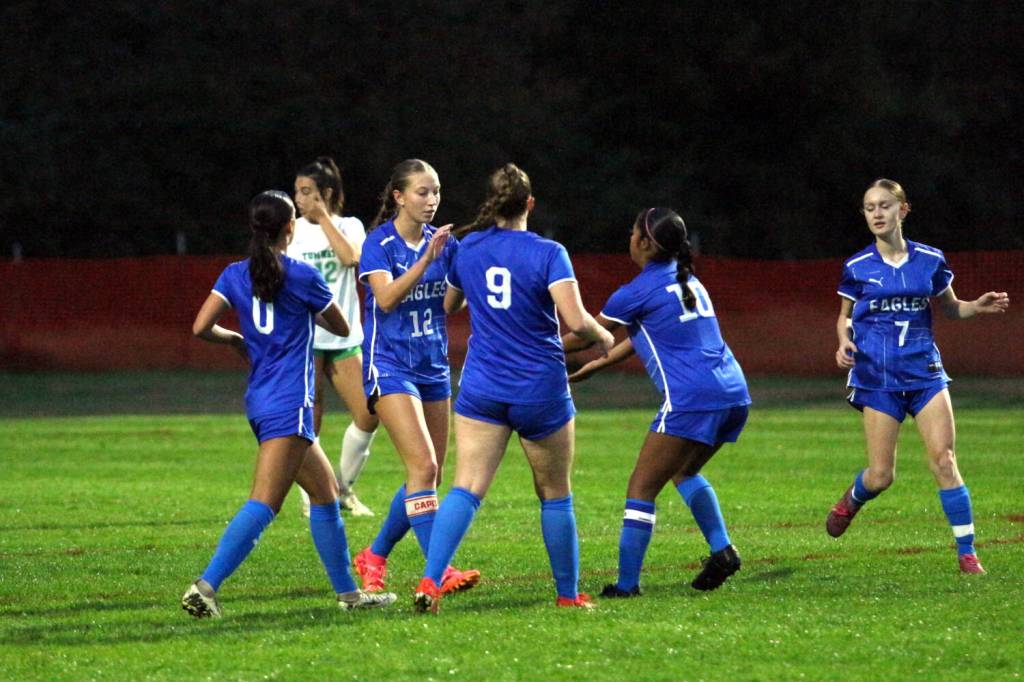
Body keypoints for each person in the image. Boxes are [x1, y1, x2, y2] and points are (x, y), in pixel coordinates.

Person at [180, 190, 396, 618]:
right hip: (291, 401)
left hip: (260, 399)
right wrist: (304, 309)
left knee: (326, 493)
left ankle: (349, 595)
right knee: (265, 502)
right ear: (289, 229)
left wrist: (236, 340)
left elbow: (202, 326)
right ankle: (204, 587)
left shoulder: (234, 273)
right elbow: (339, 323)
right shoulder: (302, 275)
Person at [413, 163, 614, 613]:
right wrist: (603, 338)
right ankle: (567, 594)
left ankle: (429, 582)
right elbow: (577, 321)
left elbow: (450, 304)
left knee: (466, 487)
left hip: (483, 386)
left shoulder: (469, 249)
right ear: (529, 204)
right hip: (539, 389)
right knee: (555, 493)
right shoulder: (548, 253)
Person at [564, 207, 751, 598]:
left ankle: (627, 586)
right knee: (684, 471)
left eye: (633, 232)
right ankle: (722, 551)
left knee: (641, 488)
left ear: (645, 243)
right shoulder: (688, 281)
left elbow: (586, 335)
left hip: (692, 398)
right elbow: (643, 336)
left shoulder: (636, 291)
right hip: (733, 393)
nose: (629, 238)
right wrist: (600, 365)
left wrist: (531, 347)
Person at [826, 178, 1009, 573]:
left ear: (902, 210)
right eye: (870, 207)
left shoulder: (930, 259)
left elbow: (950, 308)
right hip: (878, 379)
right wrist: (843, 343)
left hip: (925, 373)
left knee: (944, 460)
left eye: (885, 206)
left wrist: (975, 306)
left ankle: (967, 552)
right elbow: (843, 318)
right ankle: (852, 500)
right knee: (880, 476)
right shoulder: (858, 267)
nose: (877, 213)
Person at [352, 159, 480, 596]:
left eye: (437, 191)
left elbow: (450, 305)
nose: (432, 200)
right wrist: (428, 259)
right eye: (423, 192)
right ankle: (438, 571)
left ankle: (374, 555)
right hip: (388, 363)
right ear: (399, 196)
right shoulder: (379, 243)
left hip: (433, 365)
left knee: (427, 474)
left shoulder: (444, 244)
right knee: (423, 466)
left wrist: (465, 276)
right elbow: (385, 299)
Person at [288, 156, 377, 517]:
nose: (299, 198)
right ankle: (314, 496)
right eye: (297, 191)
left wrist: (323, 217)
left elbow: (352, 258)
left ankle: (342, 487)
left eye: (307, 192)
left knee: (370, 412)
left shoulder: (350, 225)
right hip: (305, 336)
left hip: (343, 337)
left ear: (326, 193)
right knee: (310, 418)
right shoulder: (291, 228)